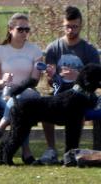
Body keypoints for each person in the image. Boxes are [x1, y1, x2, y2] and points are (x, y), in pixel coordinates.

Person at [39, 5, 100, 164]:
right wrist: (53, 76)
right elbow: (50, 82)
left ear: (81, 26)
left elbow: (96, 81)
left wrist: (77, 76)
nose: (71, 30)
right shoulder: (54, 48)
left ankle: (74, 151)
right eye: (68, 26)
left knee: (76, 108)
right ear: (63, 25)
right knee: (45, 105)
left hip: (83, 95)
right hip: (60, 93)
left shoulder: (89, 50)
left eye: (75, 27)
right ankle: (51, 149)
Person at [0, 13, 43, 165]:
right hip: (4, 93)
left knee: (20, 102)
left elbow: (34, 80)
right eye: (20, 29)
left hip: (28, 92)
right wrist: (3, 80)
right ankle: (27, 153)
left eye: (27, 30)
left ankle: (1, 125)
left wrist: (20, 89)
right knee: (18, 105)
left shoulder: (35, 51)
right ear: (10, 29)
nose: (24, 33)